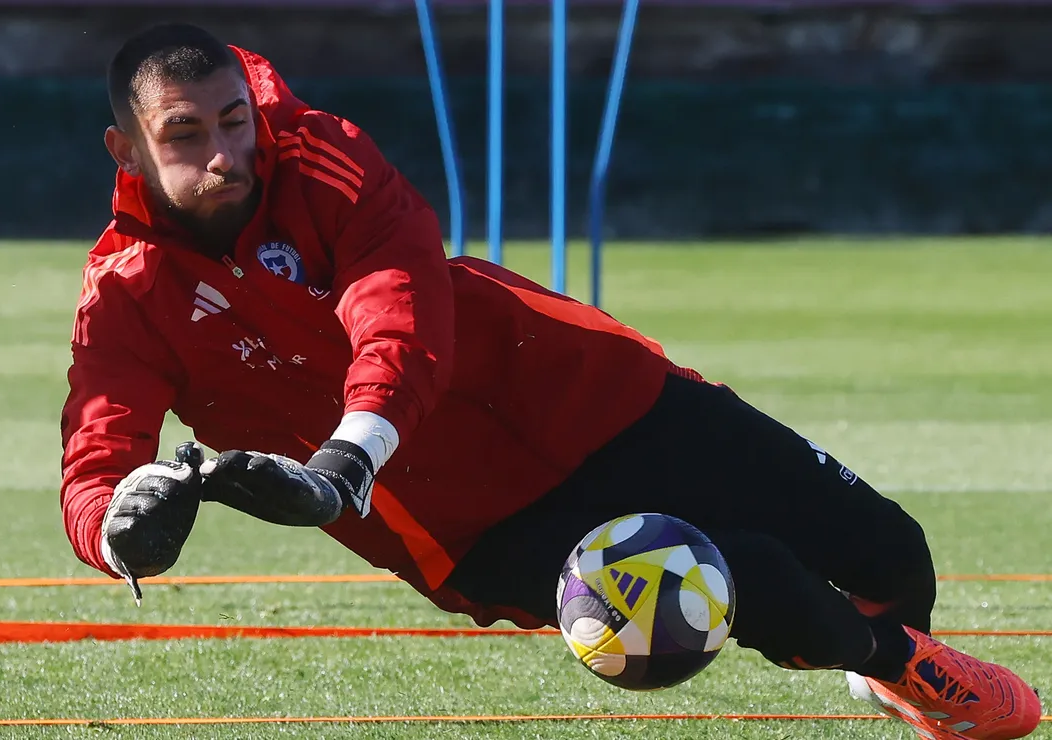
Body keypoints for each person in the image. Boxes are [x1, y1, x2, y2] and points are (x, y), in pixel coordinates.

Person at [59, 22, 1040, 740]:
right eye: (184, 134)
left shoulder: (328, 159)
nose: (223, 153)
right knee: (749, 572)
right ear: (128, 149)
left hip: (590, 391)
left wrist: (345, 460)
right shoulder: (126, 290)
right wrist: (118, 524)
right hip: (474, 527)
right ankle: (901, 671)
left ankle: (881, 649)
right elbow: (97, 452)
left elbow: (396, 316)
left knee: (894, 554)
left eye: (233, 121)